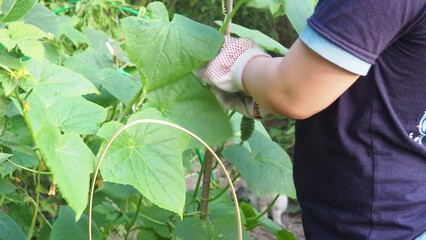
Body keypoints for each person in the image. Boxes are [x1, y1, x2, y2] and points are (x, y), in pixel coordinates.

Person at [195, 0, 426, 239]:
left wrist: (241, 66)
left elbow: (291, 93)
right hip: (409, 208)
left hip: (371, 224)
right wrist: (275, 81)